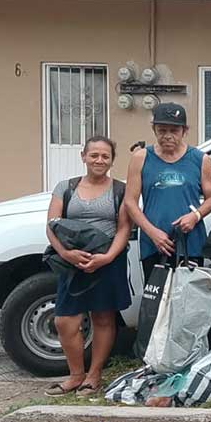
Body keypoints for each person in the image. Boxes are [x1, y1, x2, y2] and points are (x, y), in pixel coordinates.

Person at [124, 102, 211, 358]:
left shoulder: (200, 159)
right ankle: (156, 358)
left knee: (189, 304)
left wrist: (195, 215)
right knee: (158, 305)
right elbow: (131, 202)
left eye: (174, 130)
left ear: (184, 131)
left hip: (190, 244)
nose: (167, 136)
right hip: (155, 245)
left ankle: (187, 357)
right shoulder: (142, 158)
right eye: (162, 129)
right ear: (154, 129)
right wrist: (152, 232)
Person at [44, 136, 132, 397]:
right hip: (72, 264)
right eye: (94, 155)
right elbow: (52, 225)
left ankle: (94, 376)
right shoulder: (65, 188)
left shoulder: (120, 190)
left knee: (103, 318)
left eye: (105, 156)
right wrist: (67, 254)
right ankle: (75, 375)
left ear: (112, 160)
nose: (99, 160)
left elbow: (124, 227)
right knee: (65, 321)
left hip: (107, 262)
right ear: (83, 156)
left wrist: (107, 258)